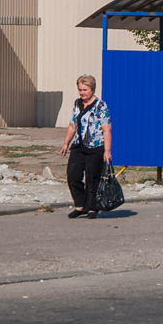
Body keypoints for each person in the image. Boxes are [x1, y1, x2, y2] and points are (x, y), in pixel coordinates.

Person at [60, 74, 112, 219]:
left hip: (95, 147)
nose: (82, 93)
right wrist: (66, 143)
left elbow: (106, 129)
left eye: (85, 90)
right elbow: (72, 125)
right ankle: (80, 205)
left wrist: (107, 150)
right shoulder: (77, 104)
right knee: (73, 175)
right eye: (80, 90)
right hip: (79, 145)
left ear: (92, 89)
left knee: (92, 177)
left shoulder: (101, 105)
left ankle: (92, 208)